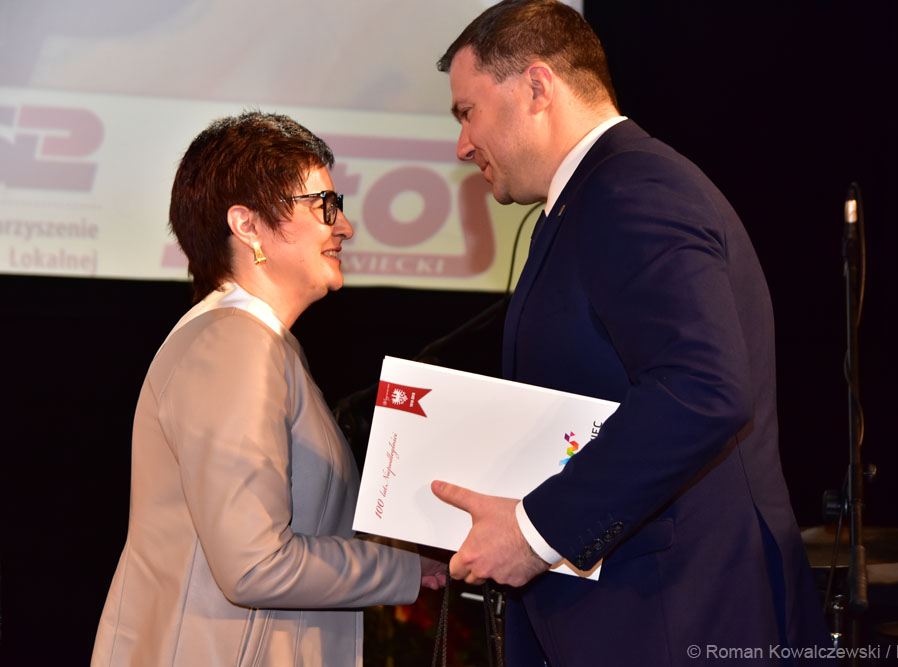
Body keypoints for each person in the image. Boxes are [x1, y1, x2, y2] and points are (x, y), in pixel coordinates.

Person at [430, 1, 831, 664]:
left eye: (467, 112)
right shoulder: (592, 196)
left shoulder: (633, 190)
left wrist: (534, 532)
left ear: (537, 87)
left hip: (675, 614)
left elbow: (703, 389)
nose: (463, 144)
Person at [91, 111, 446, 667]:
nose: (344, 226)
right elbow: (255, 565)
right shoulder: (234, 343)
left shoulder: (257, 343)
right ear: (247, 225)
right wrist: (405, 570)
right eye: (324, 205)